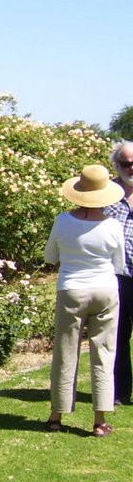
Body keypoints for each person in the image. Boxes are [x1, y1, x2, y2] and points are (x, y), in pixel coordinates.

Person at [43, 164, 124, 437]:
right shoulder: (113, 225)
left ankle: (56, 415)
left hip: (71, 289)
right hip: (105, 289)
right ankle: (100, 420)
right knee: (104, 353)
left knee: (66, 352)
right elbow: (119, 263)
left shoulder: (63, 221)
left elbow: (49, 256)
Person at [104, 141, 133, 406]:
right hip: (118, 275)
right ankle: (121, 392)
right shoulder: (106, 193)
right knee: (119, 334)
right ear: (117, 165)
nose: (131, 168)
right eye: (126, 163)